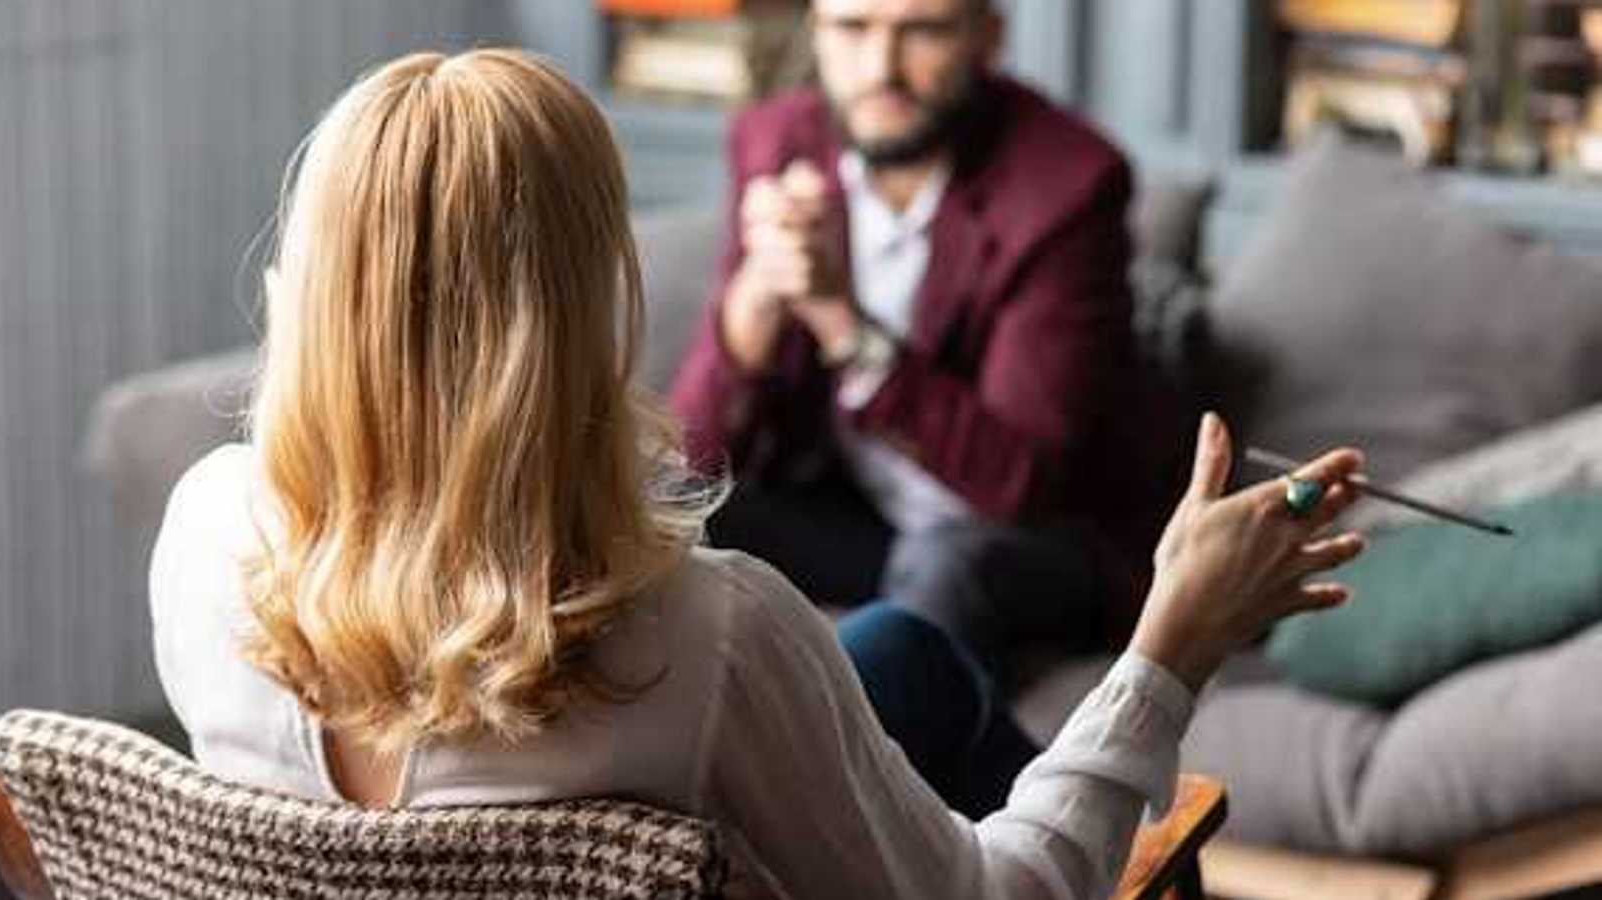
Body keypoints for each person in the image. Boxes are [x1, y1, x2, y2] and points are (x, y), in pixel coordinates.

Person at [150, 49, 1368, 899]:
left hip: (940, 562)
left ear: (313, 290)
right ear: (584, 317)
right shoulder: (709, 638)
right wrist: (1171, 649)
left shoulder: (204, 533)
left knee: (899, 653)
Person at [669, 0, 1154, 691]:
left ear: (987, 38)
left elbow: (1020, 482)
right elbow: (692, 459)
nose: (880, 69)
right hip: (859, 521)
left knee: (943, 567)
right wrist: (755, 299)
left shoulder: (1067, 182)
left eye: (923, 30)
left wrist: (841, 322)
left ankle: (873, 764)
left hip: (1030, 542)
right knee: (662, 514)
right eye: (852, 27)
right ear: (817, 30)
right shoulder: (776, 139)